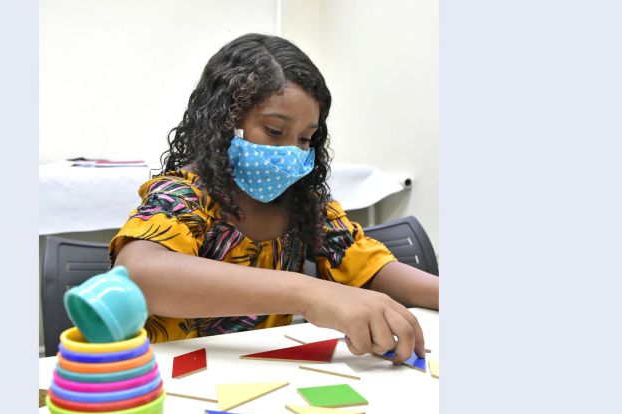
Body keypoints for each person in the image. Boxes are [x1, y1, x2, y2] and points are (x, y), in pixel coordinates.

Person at [109, 33, 438, 363]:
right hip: (173, 374)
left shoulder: (303, 204)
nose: (291, 152)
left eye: (306, 138)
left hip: (263, 374)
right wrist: (309, 293)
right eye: (275, 131)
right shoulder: (186, 195)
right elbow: (138, 274)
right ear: (226, 121)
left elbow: (371, 267)